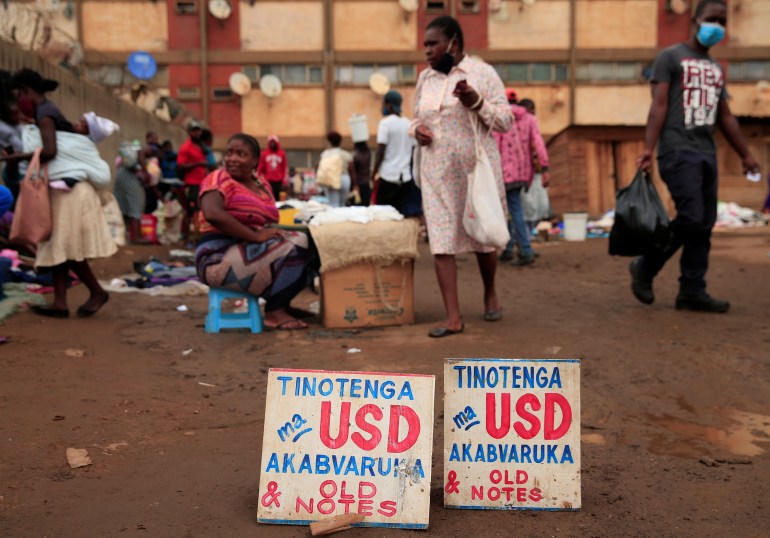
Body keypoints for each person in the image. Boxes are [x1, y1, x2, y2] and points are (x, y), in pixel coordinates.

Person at [633, 0, 759, 313]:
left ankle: (692, 289)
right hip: (678, 149)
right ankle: (646, 267)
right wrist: (649, 148)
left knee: (704, 223)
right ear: (696, 20)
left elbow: (725, 116)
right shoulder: (670, 57)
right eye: (712, 19)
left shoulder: (716, 69)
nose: (718, 25)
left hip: (706, 152)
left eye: (723, 21)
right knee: (690, 217)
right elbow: (659, 104)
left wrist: (745, 154)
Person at [411, 16, 513, 337]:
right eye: (425, 44)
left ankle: (490, 293)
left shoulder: (482, 73)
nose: (427, 50)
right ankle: (453, 317)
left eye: (433, 43)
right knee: (441, 242)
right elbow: (414, 118)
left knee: (483, 238)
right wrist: (418, 131)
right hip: (436, 173)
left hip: (474, 172)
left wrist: (476, 101)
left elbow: (506, 121)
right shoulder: (424, 79)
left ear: (453, 42)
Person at [8, 68, 115, 317]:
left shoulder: (45, 113)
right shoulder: (46, 111)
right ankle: (60, 303)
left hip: (71, 192)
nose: (18, 100)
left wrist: (17, 157)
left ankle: (96, 291)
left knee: (66, 246)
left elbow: (50, 152)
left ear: (27, 90)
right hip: (66, 190)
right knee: (59, 246)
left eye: (18, 94)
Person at [196, 134, 318, 330]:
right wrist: (255, 236)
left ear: (255, 161)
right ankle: (275, 312)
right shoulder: (218, 178)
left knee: (314, 244)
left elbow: (269, 224)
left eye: (241, 154)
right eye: (229, 153)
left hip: (248, 250)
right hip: (217, 257)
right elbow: (212, 213)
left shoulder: (263, 185)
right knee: (298, 243)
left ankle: (283, 303)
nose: (232, 158)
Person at [494, 90, 549, 266]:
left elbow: (493, 146)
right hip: (523, 172)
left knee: (513, 210)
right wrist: (545, 167)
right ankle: (510, 248)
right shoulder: (529, 119)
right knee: (513, 207)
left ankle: (525, 250)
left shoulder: (500, 119)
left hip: (504, 172)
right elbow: (538, 144)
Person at [372, 90, 415, 214]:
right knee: (400, 215)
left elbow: (380, 150)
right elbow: (413, 150)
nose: (382, 107)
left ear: (389, 105)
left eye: (383, 104)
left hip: (387, 177)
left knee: (383, 215)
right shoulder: (409, 124)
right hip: (405, 179)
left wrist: (373, 173)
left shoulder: (385, 123)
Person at [177, 121, 211, 246]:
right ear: (189, 132)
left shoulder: (202, 147)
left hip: (202, 183)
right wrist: (198, 164)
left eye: (199, 130)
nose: (197, 132)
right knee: (191, 212)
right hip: (192, 184)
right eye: (194, 130)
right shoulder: (186, 147)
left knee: (199, 211)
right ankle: (187, 239)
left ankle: (196, 238)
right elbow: (181, 165)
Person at [317, 132, 355, 208]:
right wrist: (355, 185)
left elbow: (319, 167)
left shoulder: (325, 154)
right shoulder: (346, 154)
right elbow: (352, 170)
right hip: (345, 179)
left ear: (329, 141)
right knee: (342, 204)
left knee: (333, 205)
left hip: (331, 179)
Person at [257, 134, 288, 201]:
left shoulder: (282, 153)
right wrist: (258, 177)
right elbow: (261, 167)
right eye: (271, 142)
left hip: (279, 181)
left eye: (274, 142)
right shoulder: (264, 153)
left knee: (279, 199)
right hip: (268, 181)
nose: (272, 144)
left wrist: (285, 180)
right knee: (269, 198)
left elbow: (284, 167)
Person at [352, 141, 371, 206]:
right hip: (366, 182)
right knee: (366, 205)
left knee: (358, 206)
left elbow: (354, 172)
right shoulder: (368, 153)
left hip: (359, 183)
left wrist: (355, 185)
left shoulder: (356, 156)